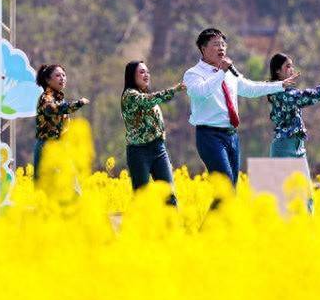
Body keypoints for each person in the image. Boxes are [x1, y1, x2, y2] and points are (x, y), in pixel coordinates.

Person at [184, 28, 298, 186]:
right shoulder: (193, 74)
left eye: (223, 44)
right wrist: (221, 72)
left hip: (232, 135)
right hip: (209, 136)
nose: (221, 48)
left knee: (231, 188)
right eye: (216, 44)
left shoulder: (229, 72)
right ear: (203, 49)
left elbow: (250, 88)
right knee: (225, 185)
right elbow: (202, 92)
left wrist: (279, 85)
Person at [267, 52, 320, 211]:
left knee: (307, 197)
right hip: (284, 147)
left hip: (298, 147)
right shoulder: (277, 92)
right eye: (287, 66)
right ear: (278, 71)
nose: (291, 69)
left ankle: (308, 225)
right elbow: (302, 98)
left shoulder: (287, 90)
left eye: (292, 66)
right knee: (284, 199)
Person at [121, 60, 186, 205]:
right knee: (142, 198)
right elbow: (148, 100)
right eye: (142, 72)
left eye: (147, 72)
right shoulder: (130, 95)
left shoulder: (145, 94)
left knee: (169, 197)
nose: (146, 75)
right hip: (139, 152)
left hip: (158, 149)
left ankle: (172, 221)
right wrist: (173, 90)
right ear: (132, 75)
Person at [33, 64, 89, 180]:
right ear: (48, 80)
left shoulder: (59, 98)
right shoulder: (46, 97)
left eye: (64, 75)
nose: (62, 78)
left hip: (61, 147)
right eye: (58, 75)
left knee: (70, 186)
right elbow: (53, 109)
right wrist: (78, 103)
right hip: (48, 147)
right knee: (47, 186)